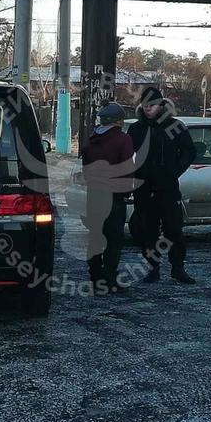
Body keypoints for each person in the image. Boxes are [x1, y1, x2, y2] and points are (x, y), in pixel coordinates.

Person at [128, 87, 197, 284]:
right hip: (144, 188)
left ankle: (177, 267)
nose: (148, 109)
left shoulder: (174, 126)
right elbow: (127, 155)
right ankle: (152, 268)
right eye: (145, 106)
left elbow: (189, 151)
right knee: (148, 231)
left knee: (174, 229)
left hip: (168, 187)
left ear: (162, 105)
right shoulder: (137, 129)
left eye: (152, 105)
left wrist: (174, 170)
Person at [82, 101, 135, 295]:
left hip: (94, 195)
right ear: (119, 121)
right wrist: (127, 191)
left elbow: (85, 166)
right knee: (113, 239)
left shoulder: (91, 139)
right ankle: (109, 279)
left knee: (95, 237)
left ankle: (95, 277)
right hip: (114, 195)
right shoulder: (123, 140)